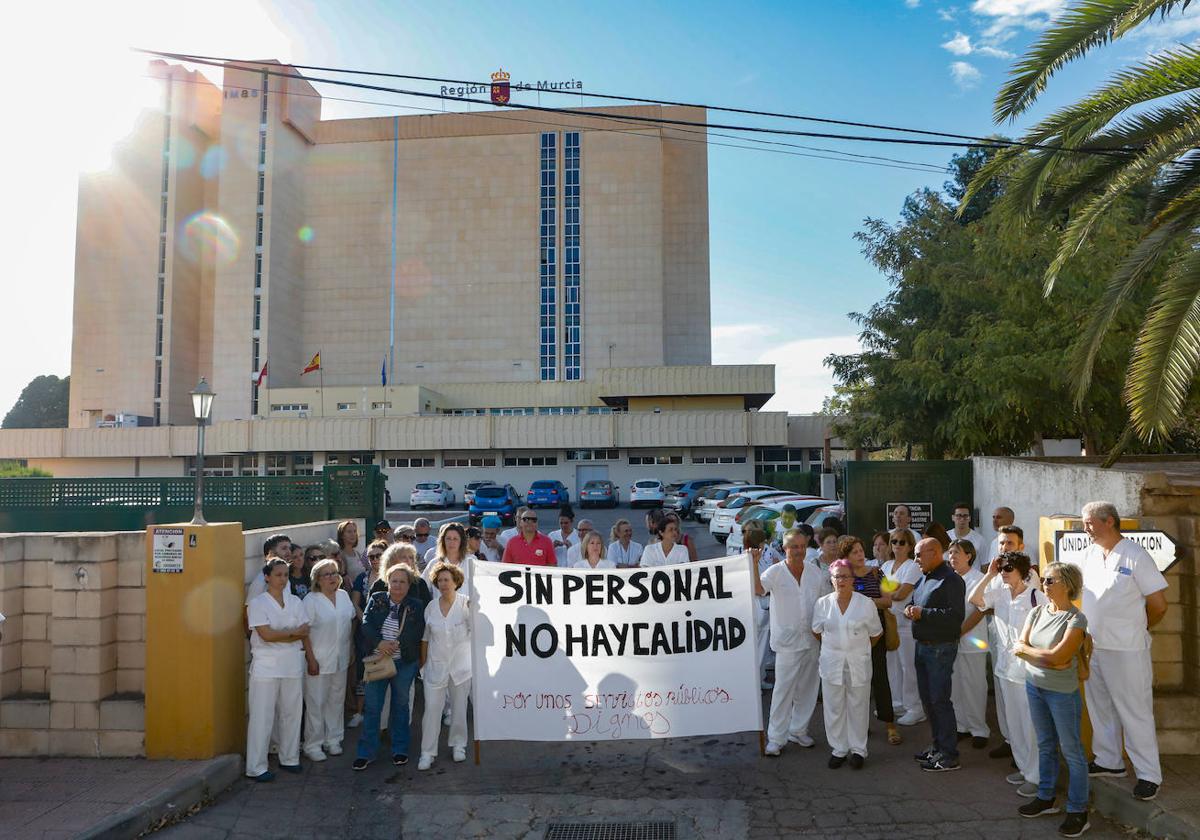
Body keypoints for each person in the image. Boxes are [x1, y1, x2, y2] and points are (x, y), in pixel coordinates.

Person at [1078, 501, 1169, 801]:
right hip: (1095, 647)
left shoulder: (1136, 555)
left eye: (1089, 522)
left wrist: (1138, 629)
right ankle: (1108, 761)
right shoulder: (1089, 554)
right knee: (1099, 706)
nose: (1085, 528)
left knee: (1135, 711)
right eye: (1084, 522)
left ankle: (1148, 775)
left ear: (1109, 521)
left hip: (1128, 649)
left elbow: (1158, 606)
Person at [1012, 562, 1091, 836]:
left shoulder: (1076, 619)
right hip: (1035, 686)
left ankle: (1079, 810)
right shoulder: (1036, 611)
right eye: (1044, 579)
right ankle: (1046, 797)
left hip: (1062, 694)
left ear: (1067, 584)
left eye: (1050, 580)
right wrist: (1048, 659)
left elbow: (1059, 657)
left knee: (1072, 752)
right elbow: (1019, 647)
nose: (1044, 584)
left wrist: (1040, 655)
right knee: (1046, 744)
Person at [970, 550, 1045, 796]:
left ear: (1023, 572)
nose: (1003, 572)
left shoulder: (1036, 597)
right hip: (1005, 669)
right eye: (1001, 568)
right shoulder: (999, 594)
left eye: (1008, 568)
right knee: (1014, 724)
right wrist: (989, 574)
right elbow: (975, 599)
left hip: (1027, 672)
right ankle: (1024, 769)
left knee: (1029, 725)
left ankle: (1036, 776)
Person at [755, 528, 826, 756]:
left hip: (811, 639)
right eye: (794, 546)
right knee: (783, 690)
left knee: (807, 688)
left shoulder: (815, 572)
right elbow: (758, 589)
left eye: (802, 546)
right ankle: (776, 737)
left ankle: (798, 730)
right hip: (786, 642)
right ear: (785, 548)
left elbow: (825, 602)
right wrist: (752, 564)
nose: (798, 550)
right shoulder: (775, 572)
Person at [812, 558, 882, 769]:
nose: (841, 580)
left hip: (858, 661)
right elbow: (816, 632)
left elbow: (875, 634)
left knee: (858, 705)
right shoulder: (822, 604)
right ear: (831, 579)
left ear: (853, 579)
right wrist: (836, 648)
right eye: (837, 576)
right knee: (833, 706)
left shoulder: (866, 603)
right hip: (832, 661)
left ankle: (858, 750)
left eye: (845, 576)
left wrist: (856, 648)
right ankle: (839, 749)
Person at [354, 564, 425, 770]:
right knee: (373, 707)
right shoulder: (377, 599)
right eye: (394, 580)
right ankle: (366, 752)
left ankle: (400, 749)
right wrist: (380, 643)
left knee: (401, 706)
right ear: (388, 581)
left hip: (404, 662)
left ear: (409, 584)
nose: (398, 585)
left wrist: (398, 643)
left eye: (403, 581)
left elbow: (418, 629)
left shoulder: (416, 605)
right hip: (377, 661)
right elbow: (366, 623)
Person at [245, 557, 309, 781]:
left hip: (292, 665)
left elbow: (305, 630)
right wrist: (292, 635)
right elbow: (266, 635)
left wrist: (282, 636)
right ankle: (256, 766)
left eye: (285, 575)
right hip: (266, 667)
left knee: (292, 713)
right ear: (267, 577)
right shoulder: (258, 603)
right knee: (262, 717)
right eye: (278, 575)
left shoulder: (295, 602)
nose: (282, 579)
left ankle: (289, 758)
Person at [907, 537, 966, 773]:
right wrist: (910, 609)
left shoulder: (951, 579)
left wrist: (924, 613)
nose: (915, 559)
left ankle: (949, 755)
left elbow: (955, 615)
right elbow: (915, 601)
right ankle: (938, 747)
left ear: (933, 553)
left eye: (919, 555)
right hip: (922, 646)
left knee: (940, 700)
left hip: (940, 648)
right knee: (928, 700)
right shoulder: (925, 577)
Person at [844, 535, 900, 746]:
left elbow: (887, 602)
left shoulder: (878, 572)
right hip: (852, 635)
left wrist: (863, 602)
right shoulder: (843, 576)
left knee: (880, 678)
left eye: (861, 550)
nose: (860, 555)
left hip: (876, 633)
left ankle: (890, 725)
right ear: (846, 557)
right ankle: (860, 725)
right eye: (854, 552)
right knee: (855, 681)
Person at [417, 562, 472, 770]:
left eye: (447, 580)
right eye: (439, 580)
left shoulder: (467, 604)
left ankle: (459, 745)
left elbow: (478, 632)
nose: (443, 584)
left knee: (459, 708)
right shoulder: (431, 607)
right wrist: (423, 666)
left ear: (456, 581)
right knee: (431, 709)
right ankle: (427, 752)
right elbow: (425, 638)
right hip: (435, 667)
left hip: (460, 668)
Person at [301, 557, 355, 762]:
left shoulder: (343, 596)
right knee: (316, 702)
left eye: (335, 573)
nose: (333, 577)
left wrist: (349, 650)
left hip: (340, 658)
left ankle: (333, 739)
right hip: (319, 660)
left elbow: (349, 624)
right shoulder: (311, 601)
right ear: (317, 579)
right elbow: (305, 633)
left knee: (336, 700)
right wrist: (311, 659)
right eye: (327, 574)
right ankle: (313, 744)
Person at [947, 539, 989, 749]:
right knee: (955, 684)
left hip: (973, 639)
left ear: (969, 556)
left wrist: (959, 632)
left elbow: (980, 611)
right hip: (950, 640)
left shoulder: (978, 579)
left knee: (974, 684)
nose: (952, 556)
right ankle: (960, 726)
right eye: (950, 552)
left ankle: (979, 729)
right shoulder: (948, 579)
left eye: (957, 552)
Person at [882, 528, 923, 725]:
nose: (897, 545)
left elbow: (901, 594)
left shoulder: (912, 566)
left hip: (907, 626)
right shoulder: (887, 565)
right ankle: (897, 703)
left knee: (909, 668)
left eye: (902, 542)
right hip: (889, 624)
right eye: (894, 542)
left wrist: (888, 594)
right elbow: (886, 593)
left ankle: (915, 707)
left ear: (909, 546)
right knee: (893, 666)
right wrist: (891, 592)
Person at [744, 526, 777, 689]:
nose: (765, 544)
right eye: (763, 541)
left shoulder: (752, 555)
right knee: (760, 645)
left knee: (758, 645)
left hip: (757, 602)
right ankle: (757, 681)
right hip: (760, 602)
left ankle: (759, 678)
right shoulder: (755, 556)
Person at [423, 522, 474, 598]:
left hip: (465, 609)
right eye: (448, 538)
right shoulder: (434, 563)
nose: (451, 542)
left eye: (455, 539)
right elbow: (422, 588)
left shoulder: (472, 561)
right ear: (443, 541)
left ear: (462, 541)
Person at [809, 527, 838, 596]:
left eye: (835, 541)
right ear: (821, 545)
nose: (833, 545)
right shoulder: (814, 564)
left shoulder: (843, 562)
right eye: (828, 542)